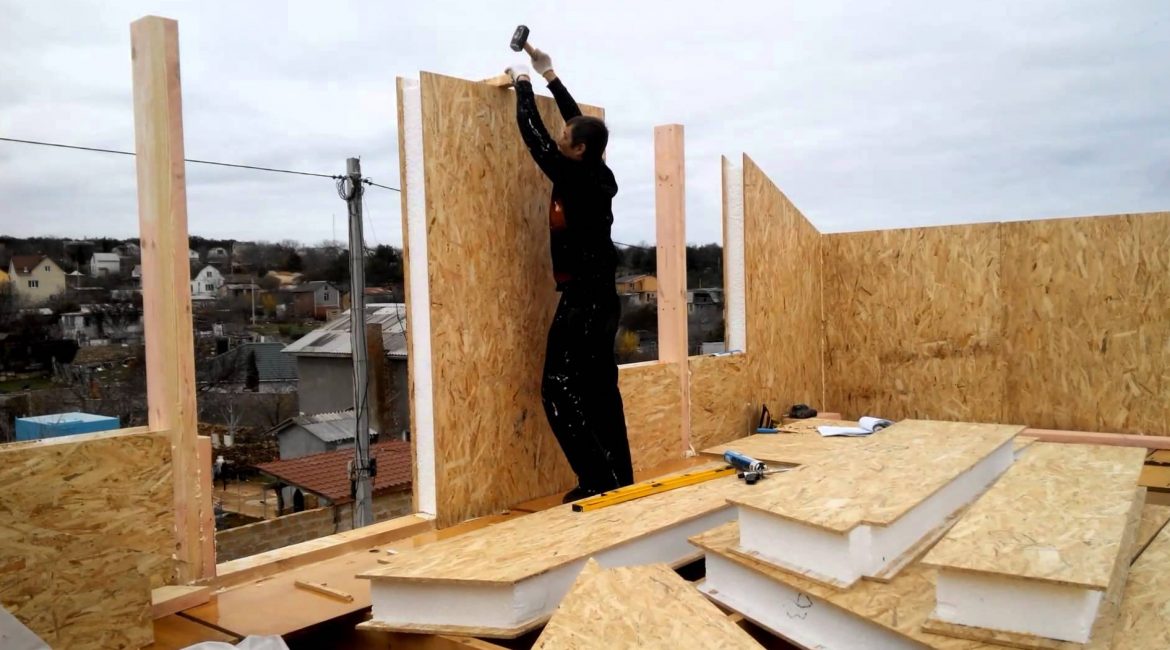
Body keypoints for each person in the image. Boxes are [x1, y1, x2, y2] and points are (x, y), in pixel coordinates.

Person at [506, 51, 634, 503]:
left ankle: (598, 480)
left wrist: (522, 83)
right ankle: (619, 478)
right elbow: (576, 121)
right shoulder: (597, 169)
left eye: (567, 138)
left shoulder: (572, 176)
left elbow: (534, 136)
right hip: (602, 300)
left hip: (583, 301)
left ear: (579, 149)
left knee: (556, 388)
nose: (561, 138)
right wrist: (549, 74)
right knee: (600, 389)